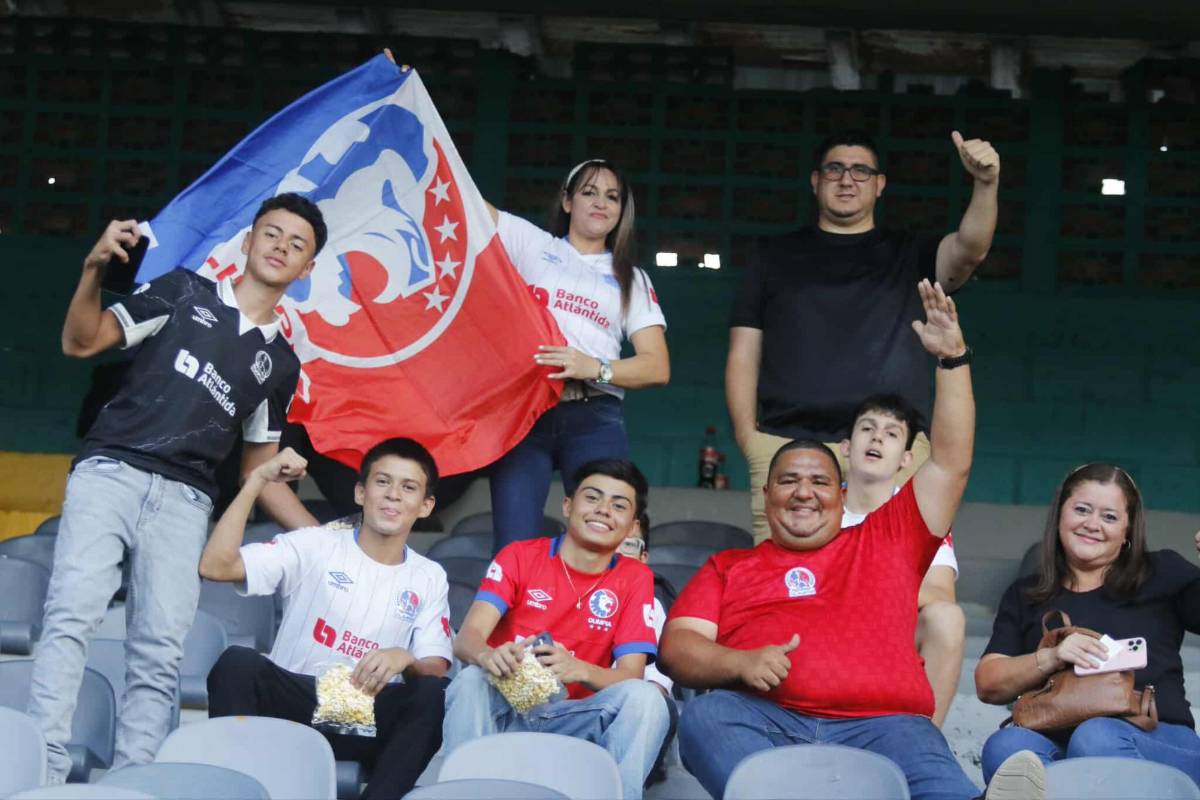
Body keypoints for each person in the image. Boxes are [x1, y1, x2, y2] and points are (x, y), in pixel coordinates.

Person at [661, 282, 1043, 800]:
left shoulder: (886, 537)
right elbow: (678, 647)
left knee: (932, 766)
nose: (803, 493)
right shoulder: (730, 566)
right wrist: (740, 662)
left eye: (819, 482)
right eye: (789, 481)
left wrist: (953, 359)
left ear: (841, 495)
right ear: (767, 492)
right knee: (706, 717)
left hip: (885, 724)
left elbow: (951, 462)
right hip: (767, 718)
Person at [29, 194, 325, 782]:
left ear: (307, 270)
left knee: (159, 653)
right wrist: (93, 269)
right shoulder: (184, 289)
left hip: (188, 501)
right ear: (247, 241)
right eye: (271, 233)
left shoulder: (282, 364)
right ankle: (40, 772)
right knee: (69, 617)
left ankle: (137, 783)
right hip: (112, 470)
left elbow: (256, 471)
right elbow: (81, 342)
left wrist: (326, 540)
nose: (280, 247)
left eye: (297, 244)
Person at [726, 130, 1000, 543]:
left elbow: (971, 249)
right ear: (815, 181)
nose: (846, 179)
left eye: (860, 170)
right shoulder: (773, 255)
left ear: (879, 184)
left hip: (893, 451)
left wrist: (985, 184)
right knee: (786, 591)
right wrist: (750, 438)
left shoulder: (910, 252)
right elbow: (744, 352)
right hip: (788, 444)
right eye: (834, 169)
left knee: (892, 591)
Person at [202, 438, 452, 800]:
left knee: (434, 693)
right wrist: (256, 481)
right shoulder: (314, 544)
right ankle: (245, 792)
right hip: (294, 708)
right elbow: (215, 566)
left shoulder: (430, 576)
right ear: (360, 492)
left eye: (408, 487)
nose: (393, 494)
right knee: (236, 663)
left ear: (426, 505)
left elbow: (434, 666)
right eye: (382, 481)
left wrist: (405, 657)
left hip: (366, 718)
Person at [443, 459, 670, 800]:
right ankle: (464, 793)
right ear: (568, 505)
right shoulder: (520, 556)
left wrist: (578, 669)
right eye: (592, 497)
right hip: (507, 708)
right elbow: (467, 638)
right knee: (472, 679)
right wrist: (489, 655)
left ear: (632, 525)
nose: (604, 510)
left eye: (618, 505)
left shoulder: (635, 577)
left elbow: (631, 675)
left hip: (576, 717)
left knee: (647, 698)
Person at [484, 161, 669, 553]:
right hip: (525, 413)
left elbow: (657, 366)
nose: (601, 202)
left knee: (605, 542)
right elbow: (463, 205)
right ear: (567, 201)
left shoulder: (631, 278)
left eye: (612, 196)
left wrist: (595, 367)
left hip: (593, 415)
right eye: (589, 192)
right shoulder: (533, 245)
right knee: (512, 547)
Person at [975, 463, 1200, 786]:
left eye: (1109, 517)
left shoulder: (1161, 571)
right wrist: (1052, 656)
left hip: (1160, 739)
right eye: (1082, 509)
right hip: (1058, 738)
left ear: (1127, 531)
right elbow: (988, 683)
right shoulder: (1027, 594)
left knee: (1095, 736)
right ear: (1059, 517)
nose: (1092, 524)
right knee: (1007, 746)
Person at [841, 393, 964, 728]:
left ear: (907, 458)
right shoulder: (815, 504)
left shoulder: (921, 514)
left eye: (891, 433)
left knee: (946, 618)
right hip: (824, 636)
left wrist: (866, 590)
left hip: (891, 638)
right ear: (846, 446)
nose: (877, 437)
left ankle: (926, 743)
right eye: (867, 428)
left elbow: (940, 594)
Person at [618, 511, 677, 787]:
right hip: (568, 704)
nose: (618, 551)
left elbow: (657, 684)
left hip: (626, 711)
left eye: (629, 545)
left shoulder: (652, 607)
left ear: (644, 558)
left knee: (651, 701)